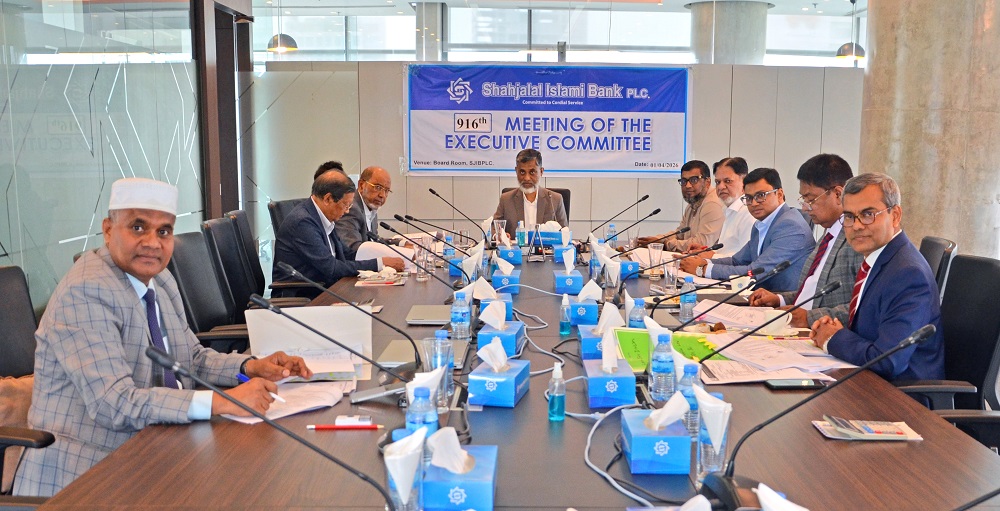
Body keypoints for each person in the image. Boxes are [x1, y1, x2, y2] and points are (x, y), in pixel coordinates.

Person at [15, 178, 313, 497]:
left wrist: (251, 366)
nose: (152, 243)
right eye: (138, 228)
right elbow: (114, 404)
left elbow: (191, 359)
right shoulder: (86, 292)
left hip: (157, 449)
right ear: (108, 230)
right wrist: (223, 401)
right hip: (88, 475)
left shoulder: (160, 279)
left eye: (163, 231)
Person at [810, 173, 944, 381]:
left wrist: (834, 338)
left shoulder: (908, 274)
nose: (856, 226)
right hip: (868, 380)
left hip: (899, 393)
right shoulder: (879, 259)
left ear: (895, 215)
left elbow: (888, 360)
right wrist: (831, 329)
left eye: (868, 214)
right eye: (849, 216)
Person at [748, 154, 863, 327]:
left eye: (810, 199)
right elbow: (814, 293)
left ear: (838, 194)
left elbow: (863, 308)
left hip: (820, 333)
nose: (804, 207)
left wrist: (809, 318)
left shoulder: (857, 240)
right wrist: (779, 299)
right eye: (803, 199)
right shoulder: (828, 235)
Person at [679, 167, 815, 292]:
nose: (754, 203)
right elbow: (737, 261)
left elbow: (755, 272)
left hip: (782, 302)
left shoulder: (790, 226)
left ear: (779, 194)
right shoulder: (761, 224)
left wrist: (703, 269)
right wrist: (702, 262)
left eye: (761, 195)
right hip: (761, 296)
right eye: (749, 198)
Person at [273, 171, 405, 295]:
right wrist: (378, 264)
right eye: (345, 205)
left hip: (326, 288)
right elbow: (331, 267)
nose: (347, 211)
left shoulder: (322, 217)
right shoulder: (303, 223)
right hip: (304, 295)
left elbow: (346, 253)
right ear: (328, 199)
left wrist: (384, 259)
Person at [637, 160, 725, 252]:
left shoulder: (712, 204)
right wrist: (658, 239)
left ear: (707, 182)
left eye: (694, 180)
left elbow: (701, 244)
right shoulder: (693, 203)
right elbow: (680, 234)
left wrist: (665, 244)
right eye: (684, 181)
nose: (688, 185)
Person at [493, 148, 568, 238]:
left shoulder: (555, 199)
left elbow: (564, 232)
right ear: (516, 171)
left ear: (541, 172)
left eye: (532, 172)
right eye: (522, 172)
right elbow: (494, 227)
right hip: (516, 247)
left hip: (544, 247)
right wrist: (498, 235)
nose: (527, 178)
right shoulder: (506, 199)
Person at [335, 166, 407, 253]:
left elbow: (374, 241)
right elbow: (353, 249)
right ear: (361, 185)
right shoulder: (351, 208)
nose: (382, 195)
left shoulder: (371, 207)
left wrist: (401, 243)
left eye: (386, 190)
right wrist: (388, 256)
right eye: (378, 187)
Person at [694, 157, 756, 258]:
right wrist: (706, 251)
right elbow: (728, 250)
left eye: (727, 181)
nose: (721, 187)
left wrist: (711, 257)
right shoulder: (728, 210)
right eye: (718, 182)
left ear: (744, 182)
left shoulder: (749, 212)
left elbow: (746, 258)